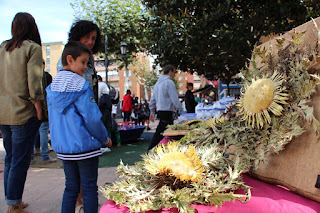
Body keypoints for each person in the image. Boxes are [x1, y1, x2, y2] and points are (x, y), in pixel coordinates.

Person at [46, 41, 111, 213]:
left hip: (64, 148)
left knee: (71, 187)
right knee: (89, 187)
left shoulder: (52, 87)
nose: (85, 67)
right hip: (84, 145)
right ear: (70, 59)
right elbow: (92, 119)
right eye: (83, 62)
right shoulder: (81, 85)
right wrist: (104, 138)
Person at [0, 12, 43, 213]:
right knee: (19, 161)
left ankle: (13, 200)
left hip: (3, 113)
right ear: (32, 27)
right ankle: (14, 206)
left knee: (10, 158)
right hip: (23, 113)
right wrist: (39, 109)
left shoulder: (2, 48)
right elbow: (34, 83)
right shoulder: (32, 48)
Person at [57, 20, 101, 102]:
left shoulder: (90, 58)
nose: (90, 42)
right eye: (87, 37)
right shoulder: (67, 57)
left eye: (93, 38)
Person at [148, 65, 183, 150]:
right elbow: (174, 98)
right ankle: (151, 149)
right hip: (167, 111)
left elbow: (152, 100)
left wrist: (152, 111)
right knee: (164, 133)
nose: (175, 74)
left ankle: (159, 149)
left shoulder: (157, 84)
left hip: (160, 110)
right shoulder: (169, 83)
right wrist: (181, 110)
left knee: (163, 132)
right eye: (174, 72)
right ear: (170, 71)